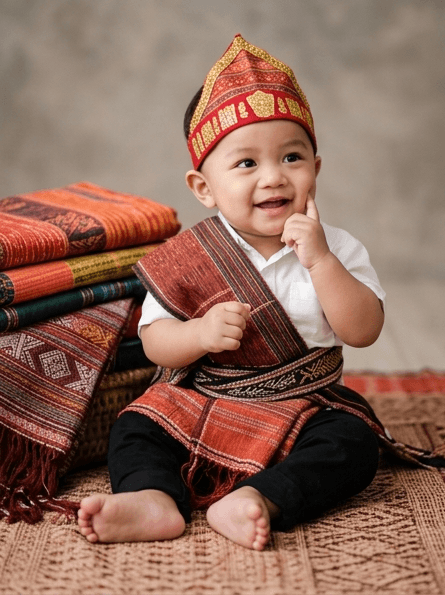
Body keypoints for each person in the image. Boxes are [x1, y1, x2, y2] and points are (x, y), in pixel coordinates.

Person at [77, 34, 430, 550]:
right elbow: (154, 341)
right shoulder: (189, 255)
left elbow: (363, 331)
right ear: (204, 188)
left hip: (303, 408)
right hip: (203, 402)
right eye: (246, 164)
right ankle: (153, 498)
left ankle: (259, 499)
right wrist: (199, 334)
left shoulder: (337, 247)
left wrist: (321, 262)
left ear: (316, 169)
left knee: (352, 444)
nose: (273, 178)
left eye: (292, 157)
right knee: (135, 425)